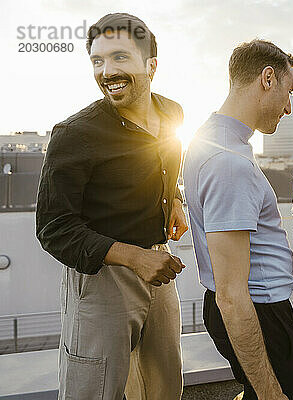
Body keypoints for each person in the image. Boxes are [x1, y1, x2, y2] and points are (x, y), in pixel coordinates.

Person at [36, 13, 188, 400]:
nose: (107, 71)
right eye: (98, 61)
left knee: (165, 390)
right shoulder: (74, 134)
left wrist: (173, 200)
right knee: (94, 393)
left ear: (150, 65)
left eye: (119, 57)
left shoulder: (172, 113)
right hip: (103, 278)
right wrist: (134, 258)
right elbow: (53, 228)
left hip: (159, 268)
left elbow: (168, 157)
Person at [183, 39, 293, 400]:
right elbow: (231, 293)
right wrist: (271, 392)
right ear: (267, 78)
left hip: (252, 308)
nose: (289, 108)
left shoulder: (208, 139)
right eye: (288, 93)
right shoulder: (229, 162)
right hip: (258, 313)